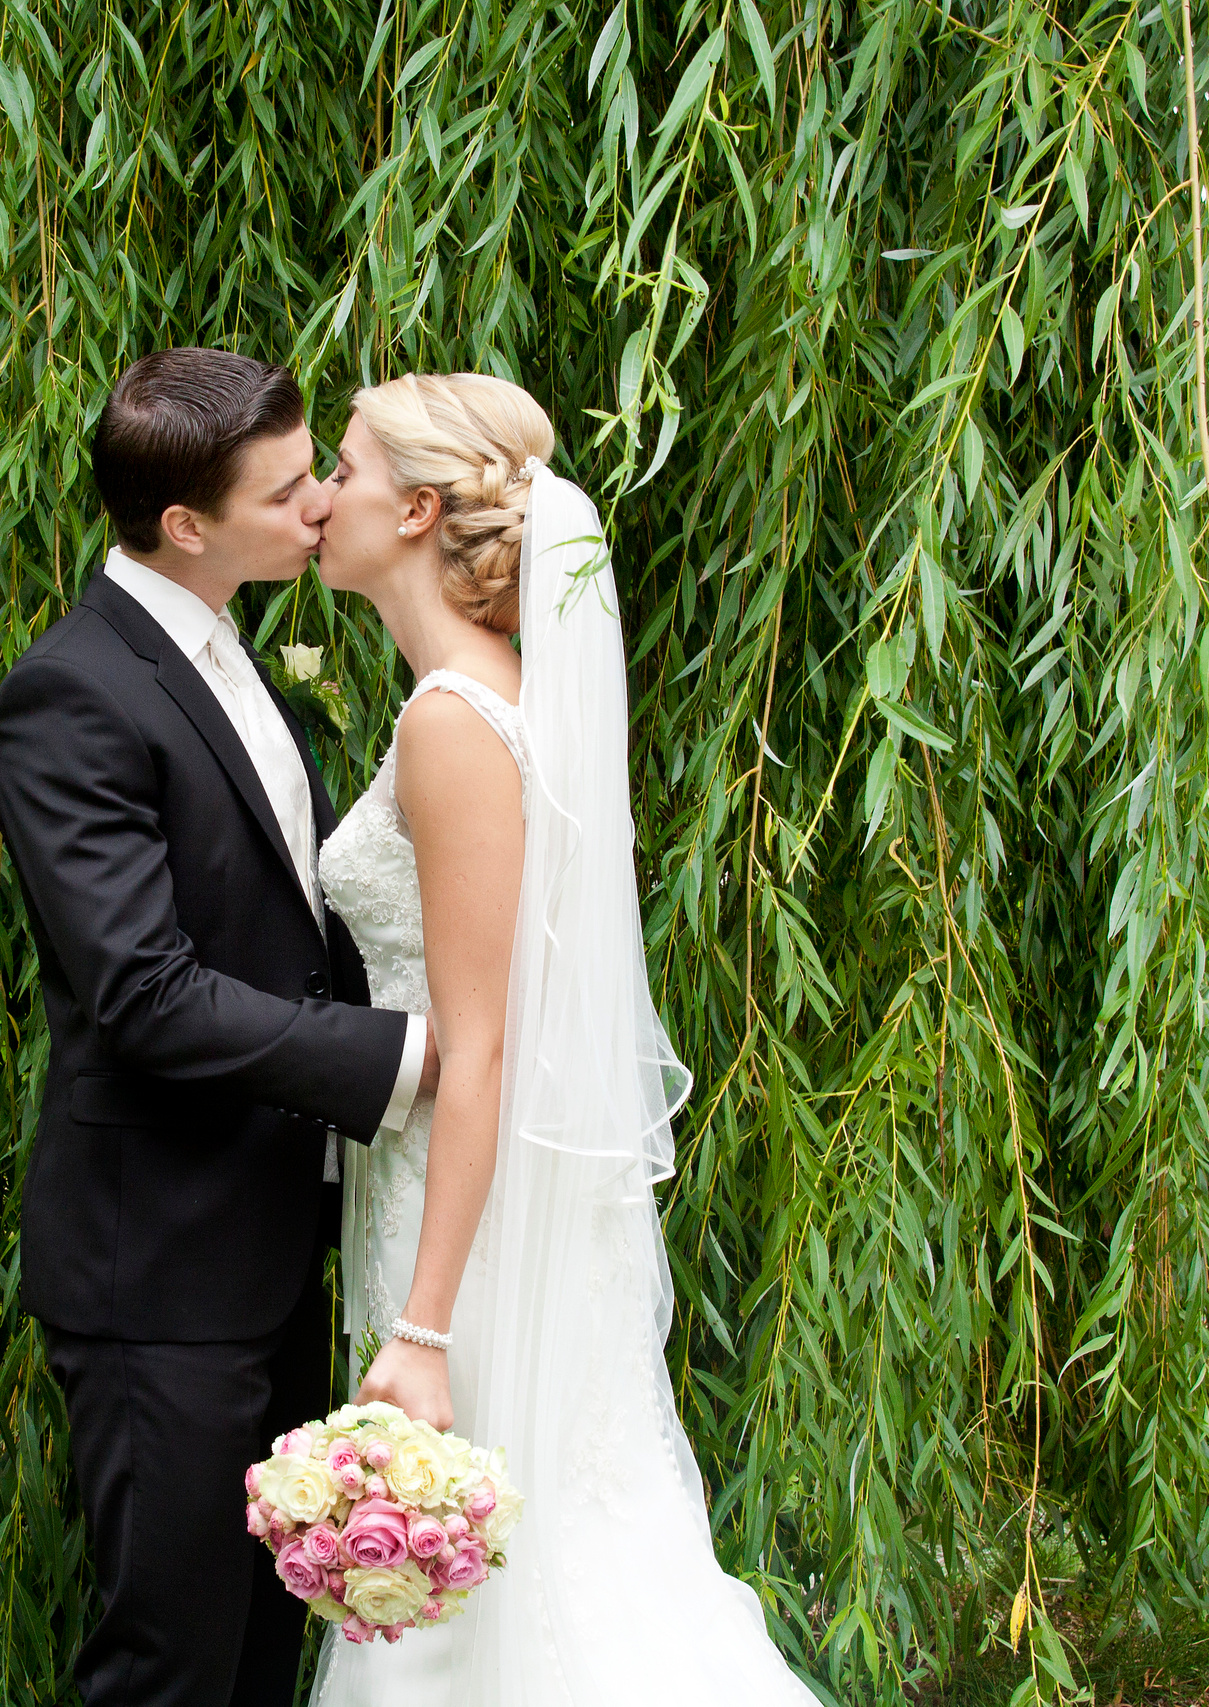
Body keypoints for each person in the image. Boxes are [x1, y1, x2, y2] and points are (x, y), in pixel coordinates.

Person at [308, 373, 829, 1705]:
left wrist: (422, 1332)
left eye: (348, 471)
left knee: (505, 1598)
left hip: (468, 1240)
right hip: (461, 1208)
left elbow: (482, 1050)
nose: (323, 497)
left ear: (419, 510)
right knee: (507, 1584)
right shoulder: (481, 697)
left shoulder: (453, 722)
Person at [0, 348, 439, 1707]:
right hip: (159, 1276)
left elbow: (289, 922)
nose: (322, 506)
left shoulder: (239, 644)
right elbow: (146, 993)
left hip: (264, 1252)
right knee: (168, 1667)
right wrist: (403, 1062)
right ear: (186, 524)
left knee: (254, 1651)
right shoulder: (73, 697)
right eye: (289, 489)